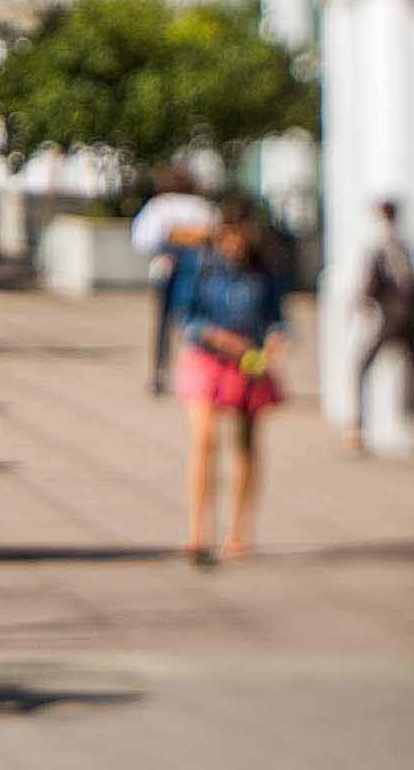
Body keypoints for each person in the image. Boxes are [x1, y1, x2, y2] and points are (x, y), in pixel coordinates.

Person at [175, 198, 287, 566]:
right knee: (204, 440)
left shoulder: (263, 271)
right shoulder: (202, 265)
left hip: (249, 362)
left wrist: (273, 341)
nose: (233, 245)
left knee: (245, 446)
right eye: (228, 237)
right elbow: (186, 319)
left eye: (239, 238)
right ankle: (198, 531)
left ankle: (238, 530)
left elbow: (276, 318)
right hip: (208, 357)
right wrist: (218, 338)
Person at [131, 164, 218, 397]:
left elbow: (142, 239)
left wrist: (175, 235)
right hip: (198, 273)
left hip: (168, 271)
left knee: (163, 326)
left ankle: (161, 372)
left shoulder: (160, 206)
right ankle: (197, 372)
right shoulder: (202, 207)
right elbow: (214, 238)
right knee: (195, 324)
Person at [348, 199, 414, 454]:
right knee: (413, 370)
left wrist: (363, 301)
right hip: (410, 316)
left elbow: (373, 282)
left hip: (393, 316)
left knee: (362, 366)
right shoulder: (408, 244)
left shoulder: (384, 246)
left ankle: (359, 427)